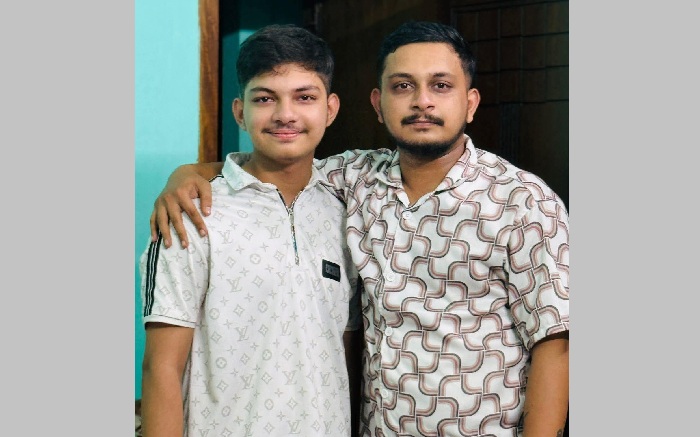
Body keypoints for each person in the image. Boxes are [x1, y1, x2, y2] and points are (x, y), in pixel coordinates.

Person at [151, 21, 569, 437]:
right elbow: (281, 162)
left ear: (470, 102)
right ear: (378, 103)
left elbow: (557, 345)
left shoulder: (521, 200)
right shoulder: (357, 180)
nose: (422, 102)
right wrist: (187, 174)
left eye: (441, 86)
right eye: (402, 86)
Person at [139, 24, 363, 437]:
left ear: (330, 109)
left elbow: (345, 357)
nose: (285, 115)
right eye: (265, 98)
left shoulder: (347, 215)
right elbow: (161, 368)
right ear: (240, 112)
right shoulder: (192, 214)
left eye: (305, 97)